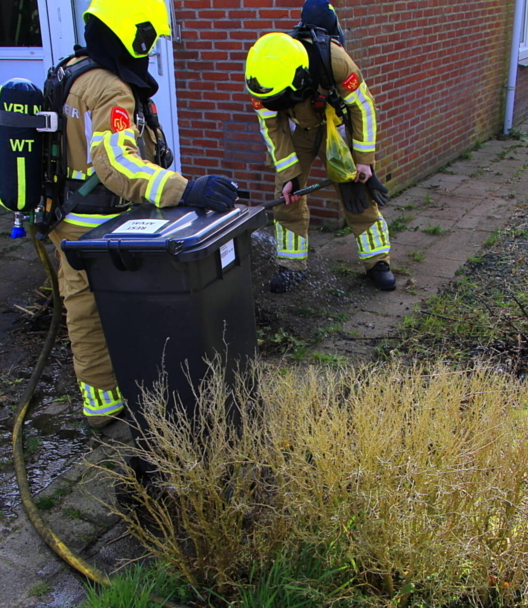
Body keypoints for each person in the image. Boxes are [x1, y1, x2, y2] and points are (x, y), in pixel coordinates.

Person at [51, 0, 238, 431]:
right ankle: (111, 405)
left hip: (69, 217)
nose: (150, 53)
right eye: (148, 43)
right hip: (96, 225)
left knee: (83, 306)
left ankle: (104, 398)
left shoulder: (75, 70)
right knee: (96, 310)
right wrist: (185, 189)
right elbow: (116, 164)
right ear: (133, 36)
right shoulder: (111, 89)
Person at [244, 1, 395, 293]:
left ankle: (378, 262)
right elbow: (272, 128)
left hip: (334, 128)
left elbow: (363, 107)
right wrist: (289, 175)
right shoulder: (261, 78)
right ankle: (291, 266)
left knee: (357, 193)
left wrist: (363, 160)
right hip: (296, 132)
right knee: (287, 198)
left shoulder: (335, 60)